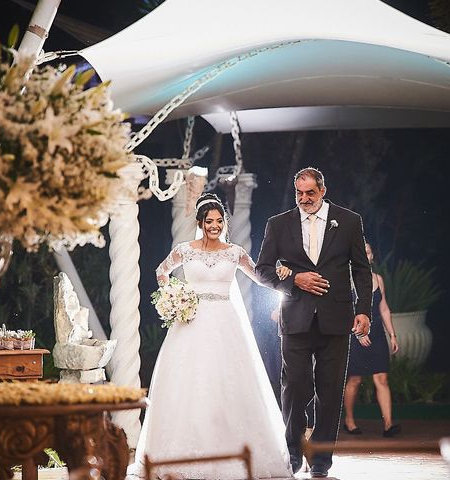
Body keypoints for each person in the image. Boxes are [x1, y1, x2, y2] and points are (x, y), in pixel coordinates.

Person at [127, 193, 293, 479]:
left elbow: (258, 276)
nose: (214, 226)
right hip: (190, 322)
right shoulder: (185, 250)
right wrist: (173, 297)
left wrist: (281, 275)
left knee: (227, 382)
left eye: (218, 221)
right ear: (201, 223)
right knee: (189, 383)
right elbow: (161, 271)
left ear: (224, 223)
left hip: (226, 324)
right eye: (209, 222)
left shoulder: (235, 252)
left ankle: (236, 450)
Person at [256, 167, 372, 478]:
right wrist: (295, 279)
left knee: (330, 390)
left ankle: (321, 459)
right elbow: (263, 270)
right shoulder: (278, 224)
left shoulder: (348, 221)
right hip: (295, 318)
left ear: (322, 191)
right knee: (294, 387)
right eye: (299, 193)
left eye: (310, 193)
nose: (304, 199)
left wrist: (364, 310)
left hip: (337, 319)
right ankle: (294, 452)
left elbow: (361, 270)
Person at [343, 242, 401, 437]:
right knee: (354, 379)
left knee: (382, 378)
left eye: (367, 251)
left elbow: (383, 308)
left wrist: (392, 334)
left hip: (376, 334)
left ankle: (389, 425)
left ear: (371, 256)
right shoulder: (345, 281)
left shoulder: (378, 279)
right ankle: (349, 421)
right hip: (354, 334)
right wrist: (358, 333)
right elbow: (342, 312)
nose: (364, 255)